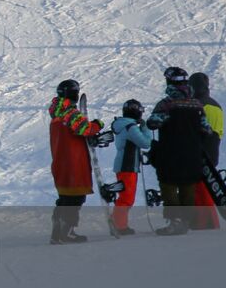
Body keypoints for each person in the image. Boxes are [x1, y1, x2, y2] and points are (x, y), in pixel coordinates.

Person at [146, 66, 216, 235]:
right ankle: (185, 220)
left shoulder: (166, 104)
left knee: (168, 185)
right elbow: (207, 130)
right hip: (192, 154)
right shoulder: (197, 105)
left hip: (170, 153)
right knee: (188, 186)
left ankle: (174, 221)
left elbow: (153, 123)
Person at [48, 78, 104, 244]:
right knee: (75, 199)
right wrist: (97, 124)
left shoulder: (56, 116)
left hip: (60, 164)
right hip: (74, 164)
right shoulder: (70, 113)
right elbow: (83, 129)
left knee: (64, 199)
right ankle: (67, 232)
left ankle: (57, 232)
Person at [110, 99, 152, 234]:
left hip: (125, 165)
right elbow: (145, 143)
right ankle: (119, 226)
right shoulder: (131, 127)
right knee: (126, 198)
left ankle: (117, 222)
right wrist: (145, 127)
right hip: (127, 166)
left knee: (125, 196)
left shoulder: (124, 125)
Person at [190, 72, 224, 230]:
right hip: (213, 147)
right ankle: (206, 220)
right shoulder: (216, 105)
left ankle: (205, 221)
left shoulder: (198, 104)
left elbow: (196, 129)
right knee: (206, 185)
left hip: (200, 148)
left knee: (200, 187)